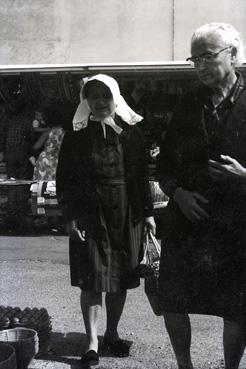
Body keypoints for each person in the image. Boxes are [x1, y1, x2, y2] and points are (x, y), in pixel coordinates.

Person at [158, 23, 246, 369]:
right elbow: (164, 165)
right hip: (188, 220)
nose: (200, 67)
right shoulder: (187, 104)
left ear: (234, 55)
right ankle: (184, 366)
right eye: (194, 59)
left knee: (237, 307)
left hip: (237, 224)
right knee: (173, 301)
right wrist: (178, 195)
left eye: (207, 57)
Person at [56, 74, 156, 366]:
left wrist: (148, 213)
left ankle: (111, 334)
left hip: (126, 213)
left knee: (121, 278)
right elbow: (65, 179)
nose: (100, 102)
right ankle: (91, 344)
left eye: (105, 96)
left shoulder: (131, 132)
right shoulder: (76, 136)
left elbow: (140, 176)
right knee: (91, 279)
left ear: (116, 98)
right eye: (94, 96)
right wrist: (71, 217)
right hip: (90, 214)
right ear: (86, 100)